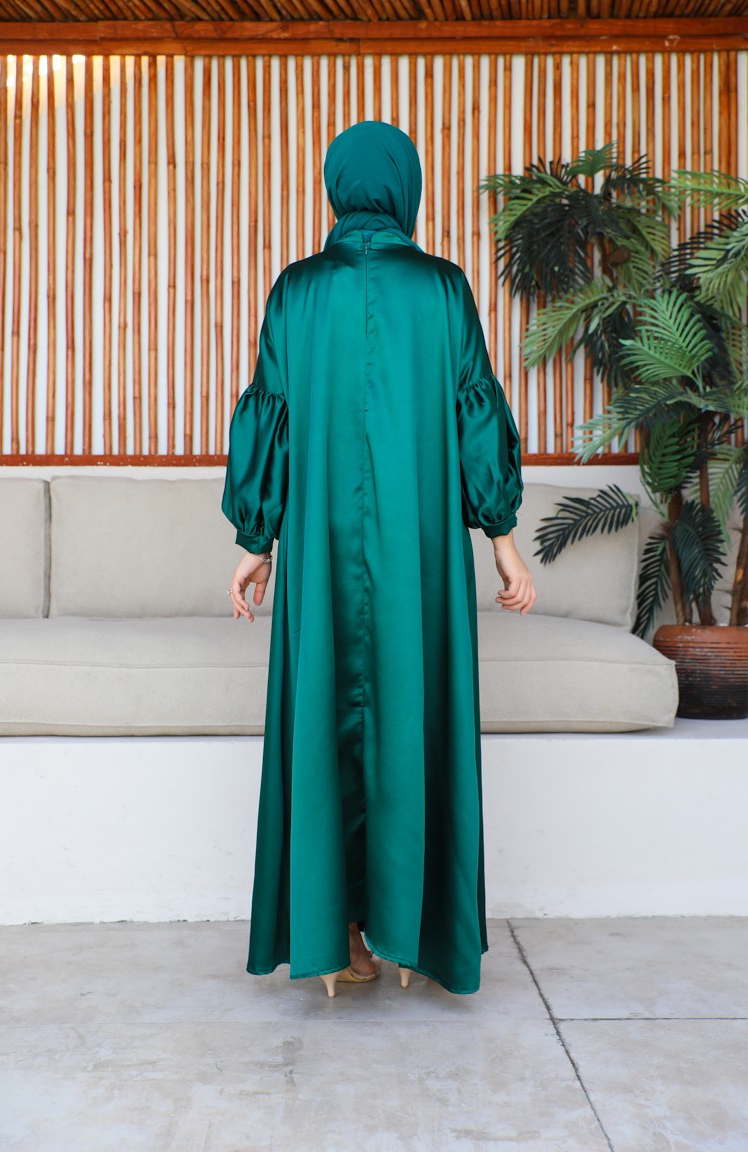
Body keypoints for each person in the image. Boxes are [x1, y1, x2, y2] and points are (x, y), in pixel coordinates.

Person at [222, 120, 536, 998]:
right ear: (406, 187)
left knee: (328, 712)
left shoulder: (295, 291)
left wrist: (256, 542)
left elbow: (272, 419)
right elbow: (476, 415)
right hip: (418, 560)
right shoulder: (442, 289)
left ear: (337, 186)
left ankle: (334, 937)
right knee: (413, 711)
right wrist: (505, 544)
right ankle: (410, 932)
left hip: (321, 554)